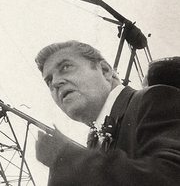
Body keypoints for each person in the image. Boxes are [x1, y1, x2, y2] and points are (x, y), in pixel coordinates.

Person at [34, 40, 180, 186]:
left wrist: (69, 159)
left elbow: (171, 177)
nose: (55, 83)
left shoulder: (152, 99)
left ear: (105, 70)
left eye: (66, 67)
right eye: (49, 80)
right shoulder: (93, 144)